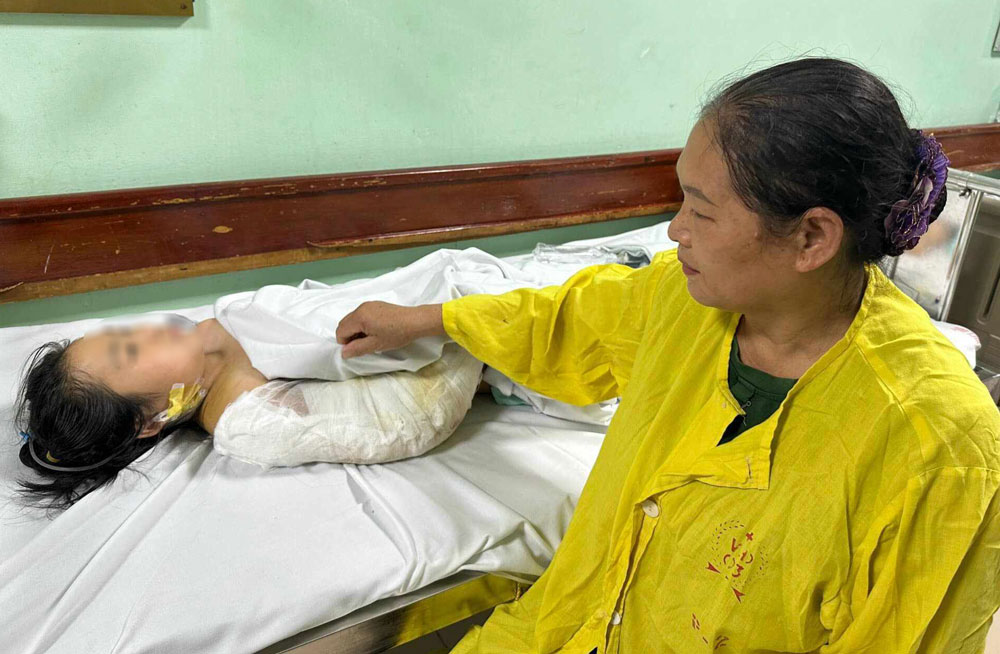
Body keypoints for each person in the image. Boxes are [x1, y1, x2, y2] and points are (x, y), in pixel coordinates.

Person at [335, 58, 1000, 653]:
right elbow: (563, 321)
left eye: (701, 211)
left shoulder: (942, 451)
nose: (676, 230)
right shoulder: (678, 302)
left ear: (811, 237)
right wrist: (428, 320)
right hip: (561, 629)